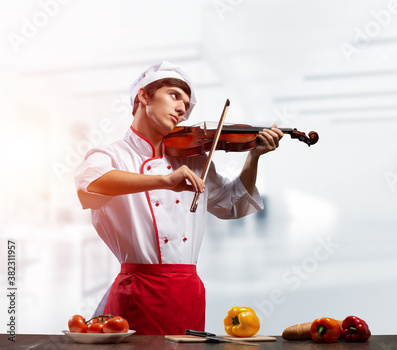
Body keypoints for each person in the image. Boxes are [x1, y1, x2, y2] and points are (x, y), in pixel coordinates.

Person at [74, 61, 283, 335]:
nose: (183, 108)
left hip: (188, 293)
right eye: (174, 95)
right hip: (138, 291)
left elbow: (233, 203)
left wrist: (253, 157)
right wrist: (163, 181)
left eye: (186, 103)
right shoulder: (112, 155)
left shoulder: (195, 159)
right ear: (144, 95)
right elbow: (90, 185)